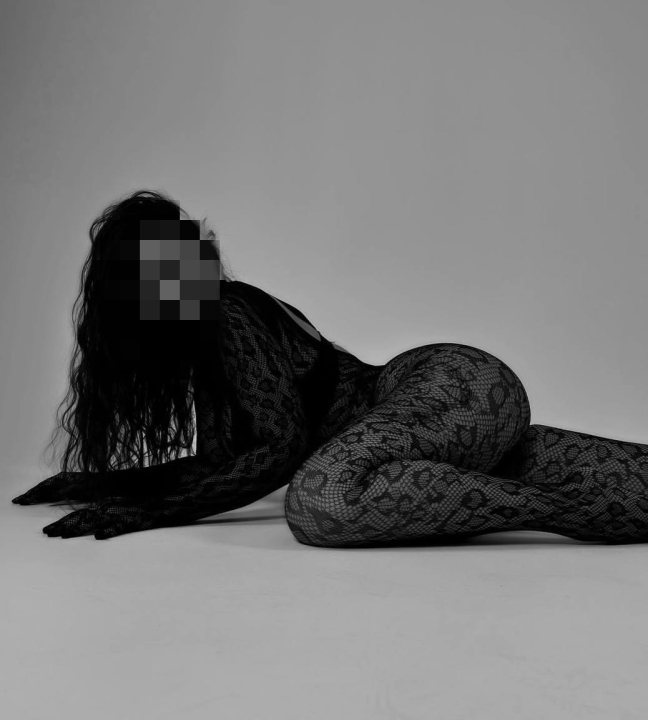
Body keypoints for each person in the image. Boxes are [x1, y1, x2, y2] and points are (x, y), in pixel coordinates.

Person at [11, 190, 648, 546]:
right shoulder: (206, 342)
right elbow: (223, 463)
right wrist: (106, 484)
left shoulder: (227, 314)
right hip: (446, 414)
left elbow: (281, 448)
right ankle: (587, 496)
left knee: (323, 498)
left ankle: (560, 509)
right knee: (625, 480)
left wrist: (151, 514)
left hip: (449, 388)